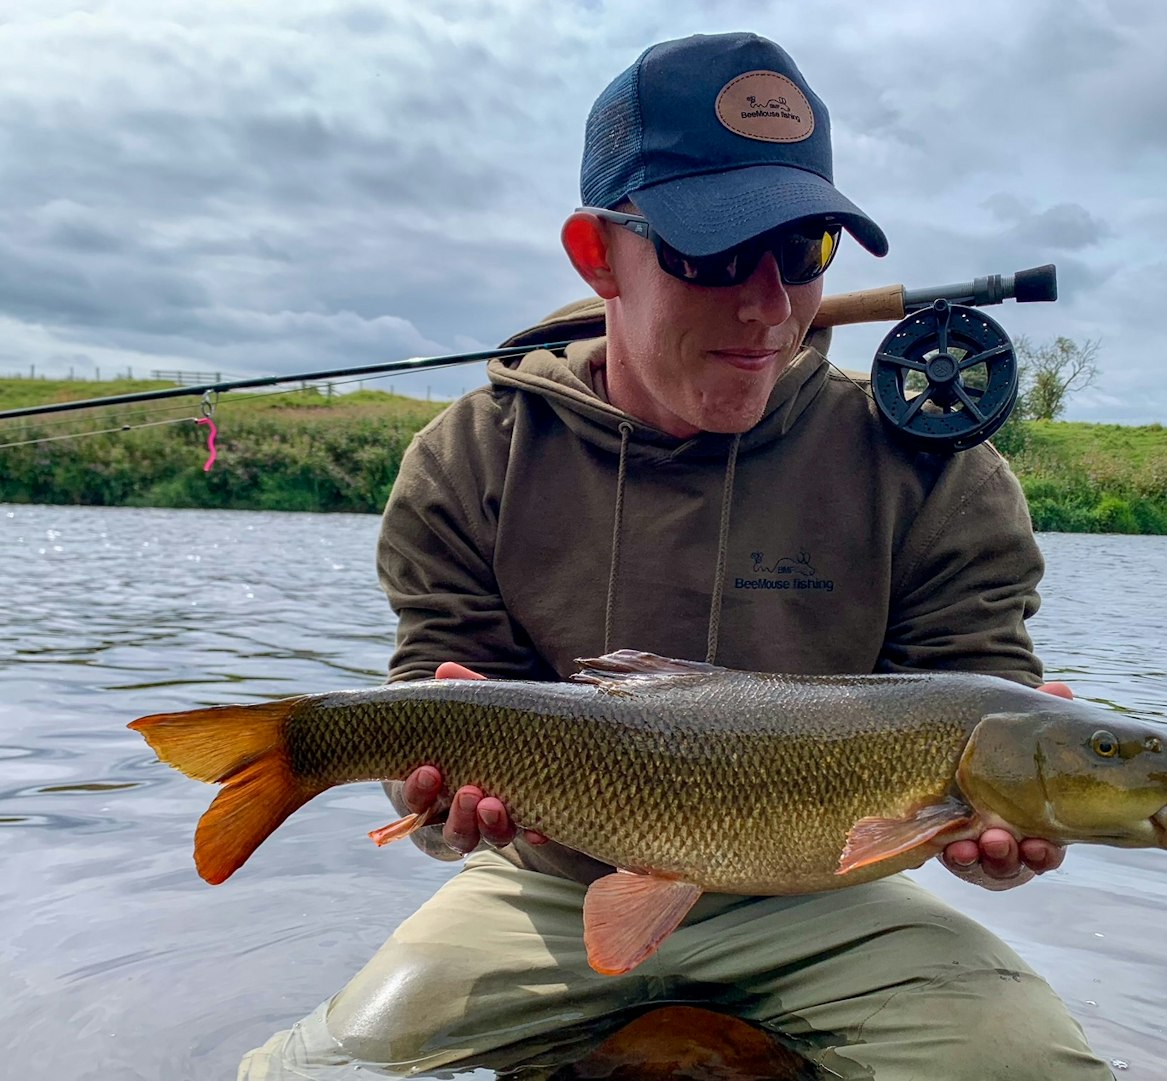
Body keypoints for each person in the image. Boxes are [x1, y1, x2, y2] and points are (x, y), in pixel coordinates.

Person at [239, 31, 1114, 1080]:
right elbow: (431, 701)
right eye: (709, 254)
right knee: (310, 1074)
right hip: (549, 883)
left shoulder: (932, 473)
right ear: (597, 254)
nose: (764, 304)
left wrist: (1009, 834)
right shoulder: (473, 457)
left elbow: (984, 710)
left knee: (1031, 1069)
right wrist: (435, 805)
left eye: (802, 254)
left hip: (829, 897)